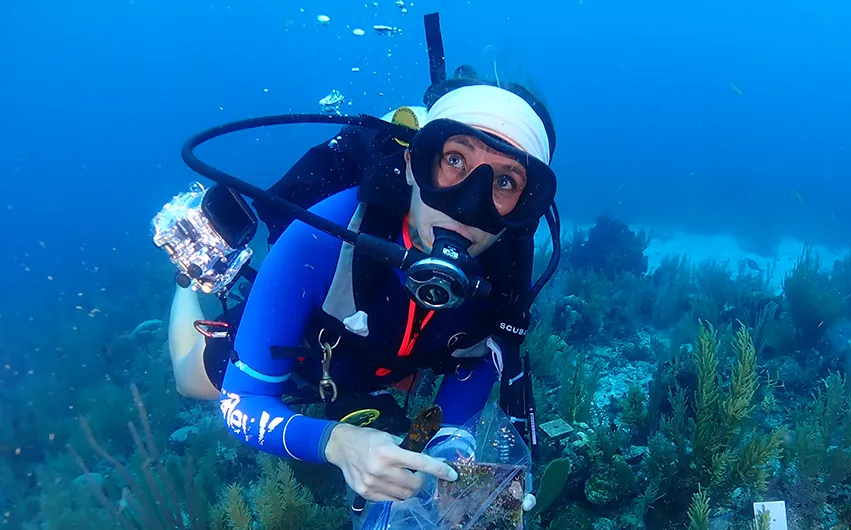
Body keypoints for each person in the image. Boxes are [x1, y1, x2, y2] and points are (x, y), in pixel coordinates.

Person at [162, 52, 559, 525]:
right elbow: (240, 404)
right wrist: (336, 442)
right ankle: (190, 274)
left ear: (525, 205)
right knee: (193, 380)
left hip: (397, 359)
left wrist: (454, 457)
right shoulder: (323, 233)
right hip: (315, 345)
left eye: (506, 180)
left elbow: (471, 376)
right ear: (415, 163)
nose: (468, 207)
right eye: (455, 160)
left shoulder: (506, 274)